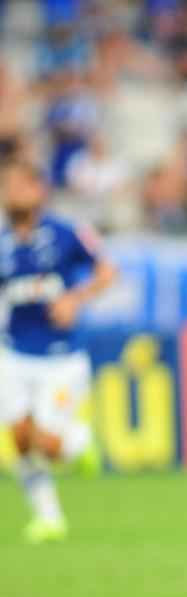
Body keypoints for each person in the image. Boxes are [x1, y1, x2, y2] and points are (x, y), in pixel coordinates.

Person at [1, 159, 117, 541]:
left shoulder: (65, 233)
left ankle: (79, 442)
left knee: (47, 444)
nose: (10, 193)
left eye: (18, 185)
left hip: (60, 357)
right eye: (6, 186)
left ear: (38, 190)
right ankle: (49, 517)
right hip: (14, 353)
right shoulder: (3, 241)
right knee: (19, 439)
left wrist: (74, 299)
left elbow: (107, 271)